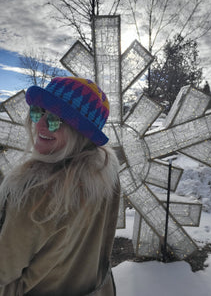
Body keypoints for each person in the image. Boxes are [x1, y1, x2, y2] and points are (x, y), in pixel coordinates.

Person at [0, 77, 120, 296]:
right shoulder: (104, 176)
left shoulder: (34, 196)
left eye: (55, 119)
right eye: (38, 112)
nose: (39, 124)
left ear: (80, 133)